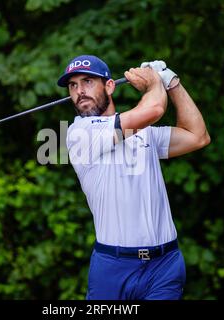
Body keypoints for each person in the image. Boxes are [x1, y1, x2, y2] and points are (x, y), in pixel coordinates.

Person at [57, 55, 210, 300]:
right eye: (73, 85)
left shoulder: (144, 133)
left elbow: (197, 136)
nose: (79, 91)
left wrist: (171, 82)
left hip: (164, 265)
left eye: (87, 81)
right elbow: (155, 109)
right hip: (112, 267)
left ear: (109, 85)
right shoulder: (79, 133)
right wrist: (153, 83)